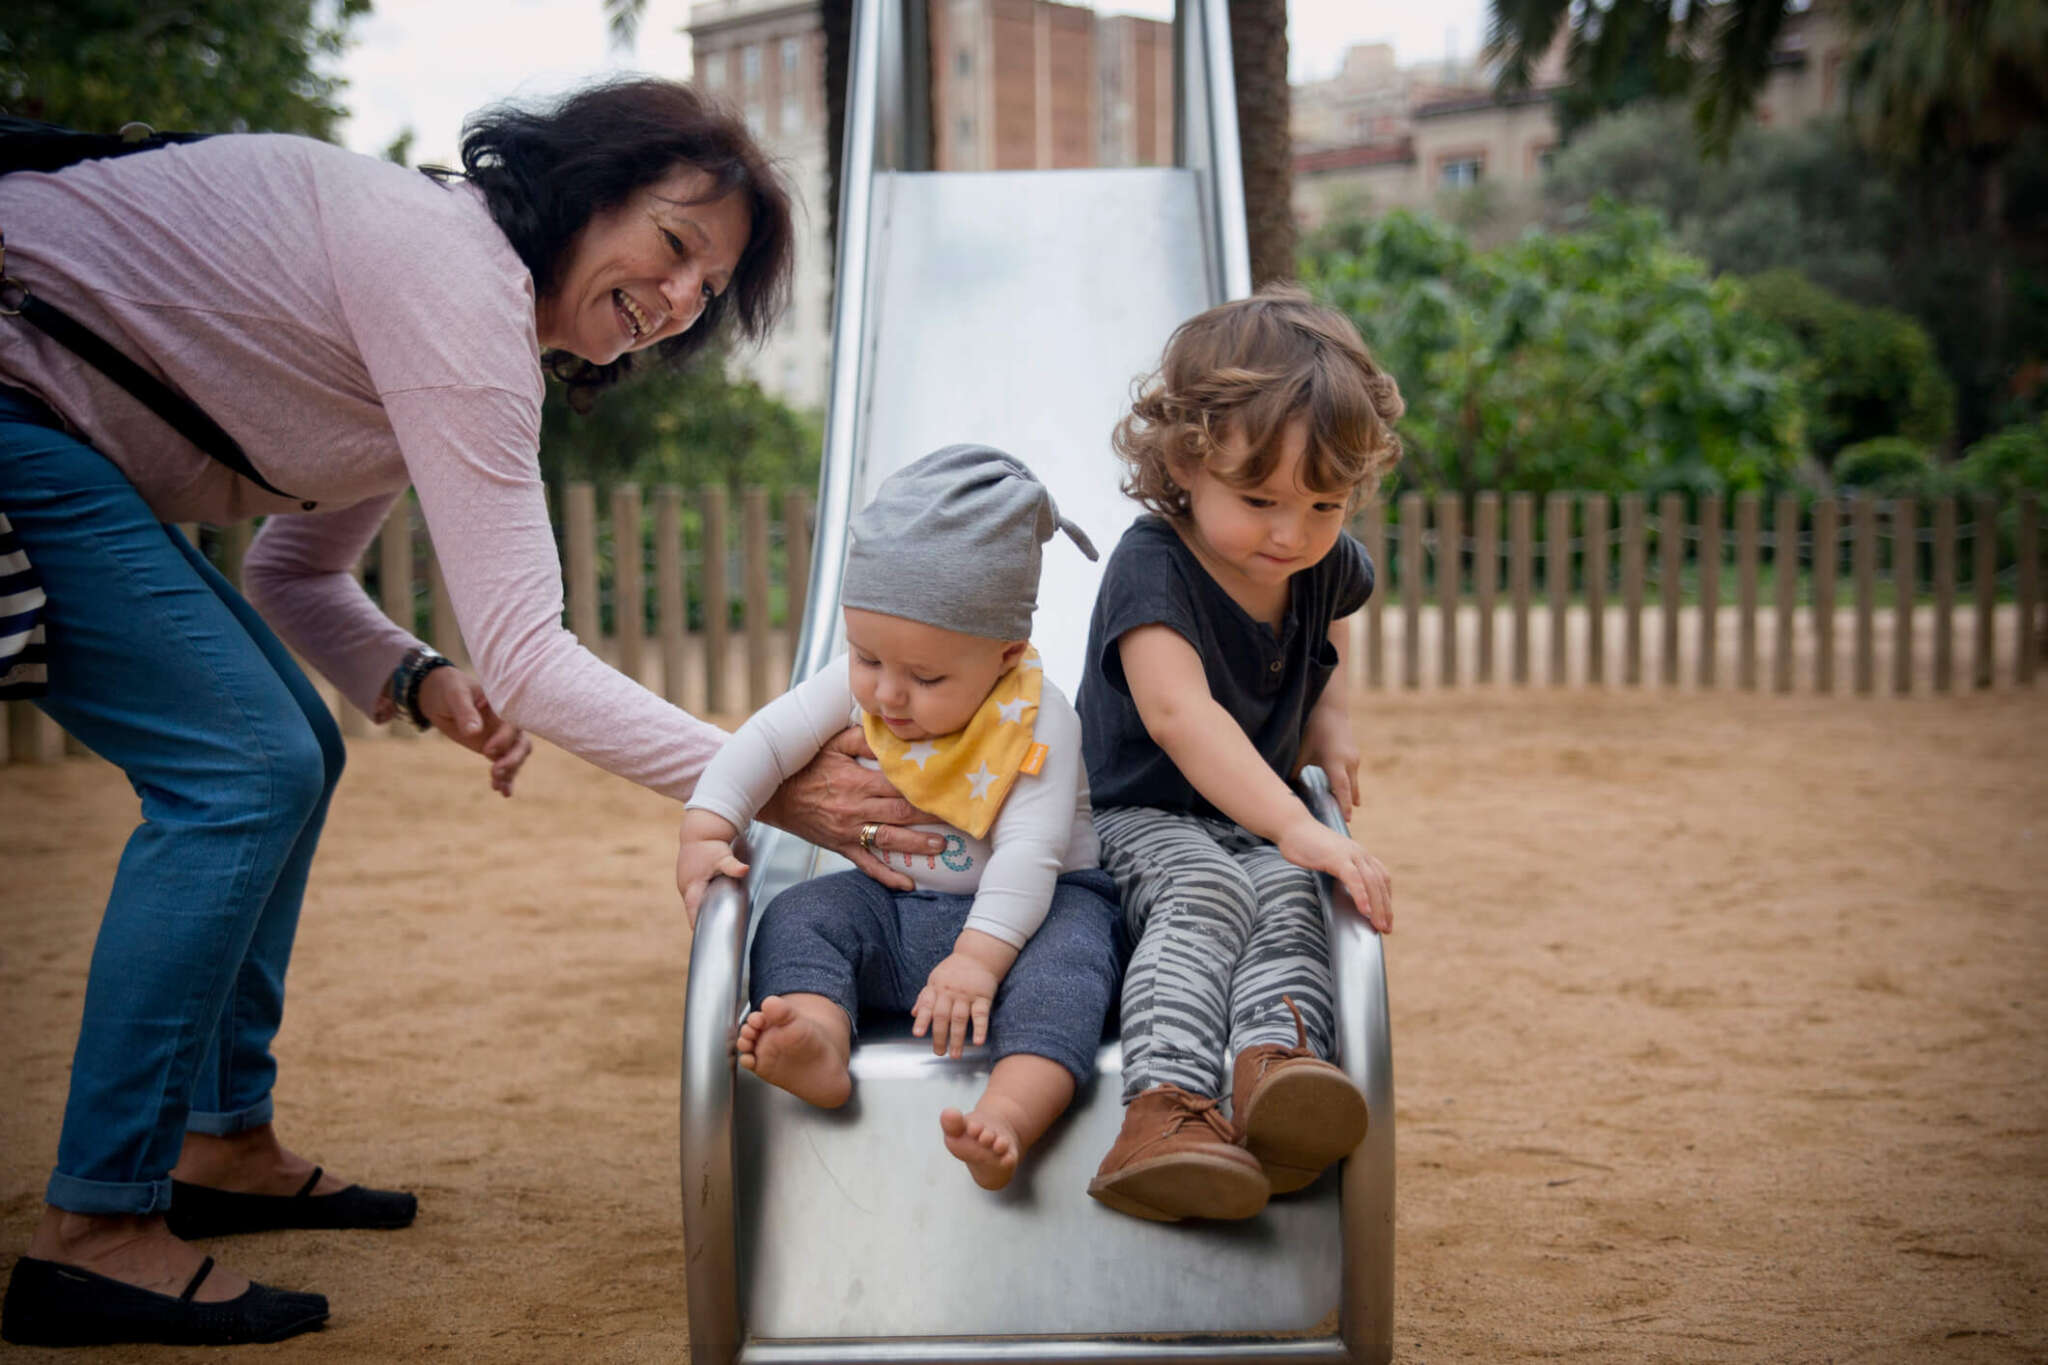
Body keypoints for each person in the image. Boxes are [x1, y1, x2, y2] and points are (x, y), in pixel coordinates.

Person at [0, 79, 939, 1348]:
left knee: (289, 752)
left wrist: (418, 677)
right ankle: (99, 1227)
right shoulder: (452, 275)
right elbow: (536, 658)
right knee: (246, 764)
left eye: (705, 295)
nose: (674, 304)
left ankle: (221, 1140)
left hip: (55, 422)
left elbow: (296, 571)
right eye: (671, 247)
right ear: (585, 189)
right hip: (20, 400)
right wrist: (763, 775)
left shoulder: (448, 303)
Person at [676, 445, 1124, 1192]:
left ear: (1006, 653)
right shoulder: (862, 684)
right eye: (866, 657)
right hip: (898, 908)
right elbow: (763, 739)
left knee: (1074, 965)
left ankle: (1011, 1113)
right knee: (798, 914)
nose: (887, 694)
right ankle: (817, 1036)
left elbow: (1031, 853)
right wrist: (706, 827)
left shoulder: (1037, 716)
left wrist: (979, 960)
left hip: (1029, 920)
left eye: (926, 676)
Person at [1077, 287, 1402, 1224]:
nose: (1291, 534)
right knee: (1213, 890)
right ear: (1188, 459)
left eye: (1324, 503)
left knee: (1294, 895)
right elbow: (1181, 718)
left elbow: (1336, 617)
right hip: (1139, 813)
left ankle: (1277, 1077)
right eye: (1259, 500)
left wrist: (1332, 723)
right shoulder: (1153, 565)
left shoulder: (1315, 562)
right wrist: (1300, 825)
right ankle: (1164, 1108)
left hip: (1250, 815)